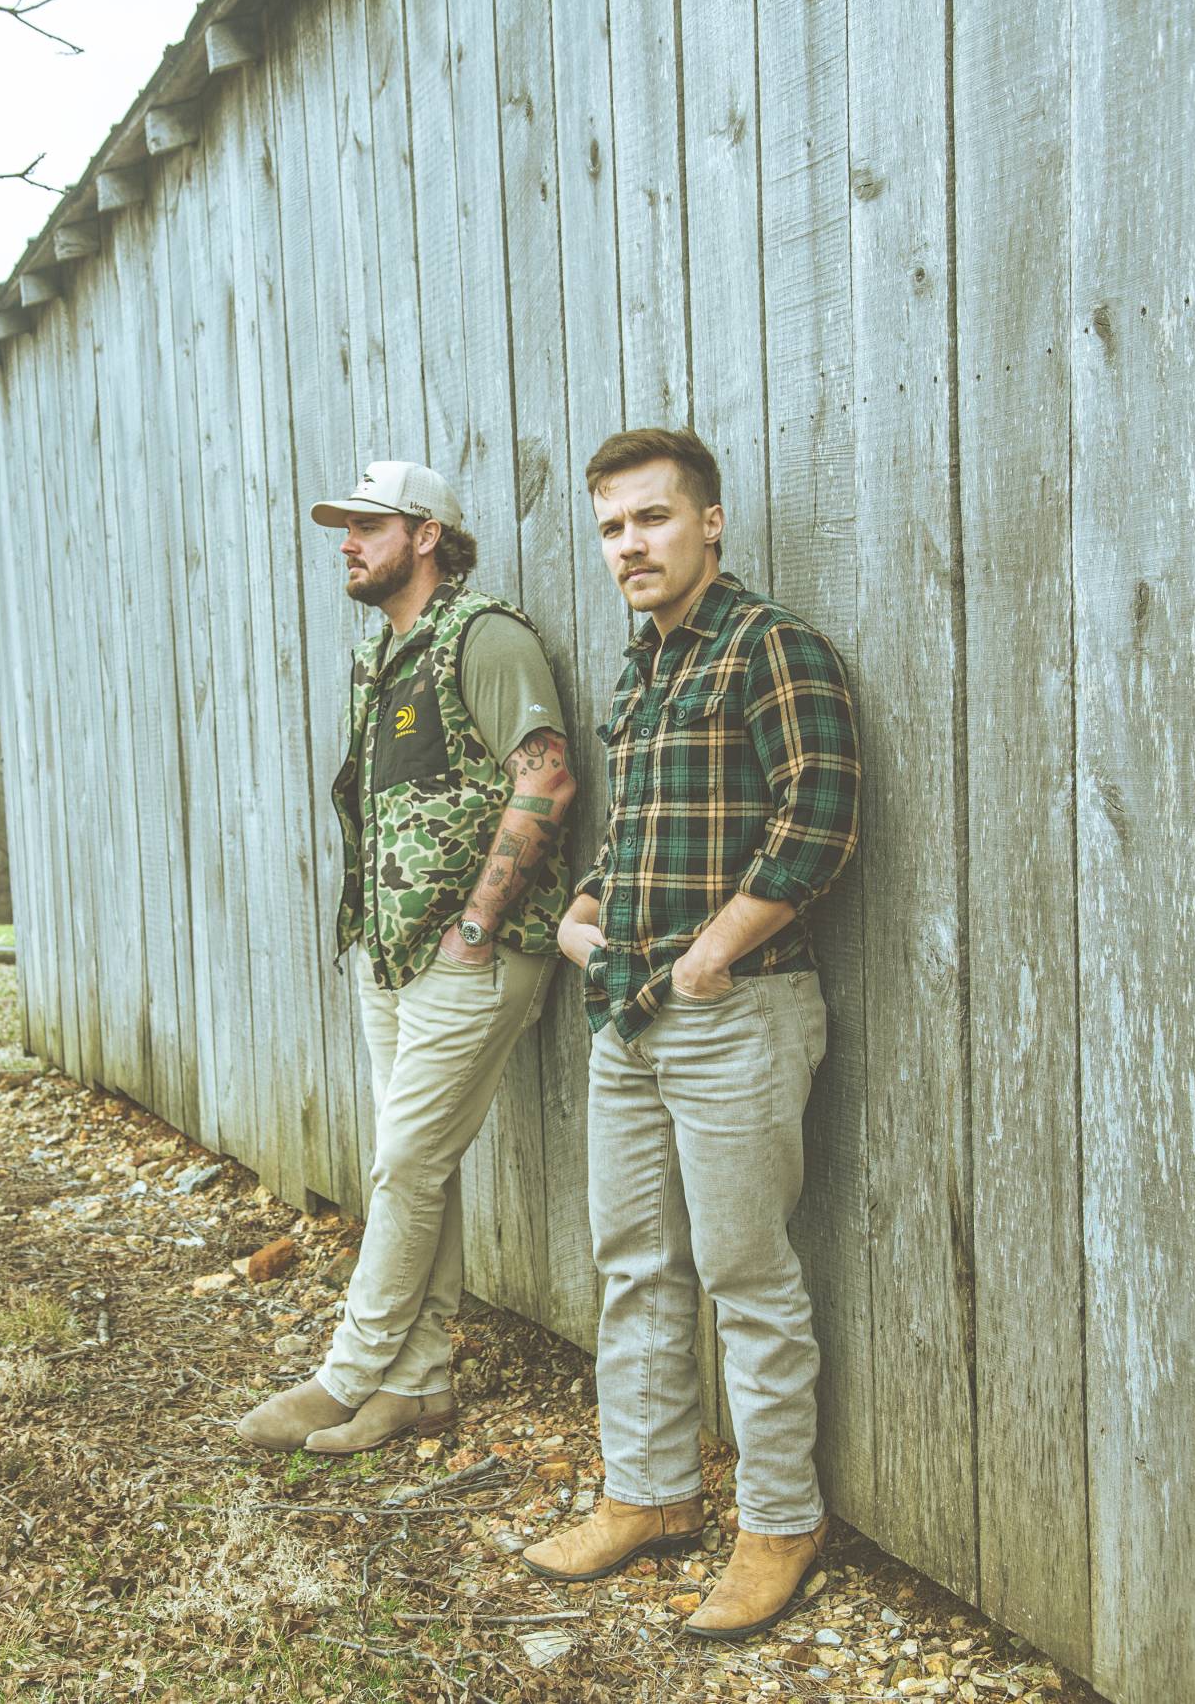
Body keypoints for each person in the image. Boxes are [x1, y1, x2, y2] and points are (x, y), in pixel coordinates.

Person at [519, 428, 861, 1642]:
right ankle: (649, 1497)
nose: (630, 546)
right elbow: (637, 833)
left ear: (709, 522)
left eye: (652, 520)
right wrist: (581, 913)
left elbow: (817, 820)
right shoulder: (645, 668)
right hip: (629, 1015)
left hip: (736, 1012)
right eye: (612, 528)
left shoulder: (772, 648)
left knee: (747, 1278)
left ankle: (780, 1525)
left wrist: (712, 954)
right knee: (633, 1268)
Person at [232, 459, 576, 1455]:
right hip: (389, 952)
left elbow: (544, 780)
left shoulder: (485, 638)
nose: (346, 540)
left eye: (367, 525)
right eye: (344, 525)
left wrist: (475, 925)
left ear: (426, 535)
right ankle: (418, 1383)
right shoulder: (377, 655)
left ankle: (345, 1375)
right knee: (418, 1171)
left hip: (476, 951)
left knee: (405, 1163)